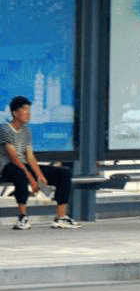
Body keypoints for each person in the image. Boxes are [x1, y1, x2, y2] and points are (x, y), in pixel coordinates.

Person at [2, 96, 81, 229]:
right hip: (6, 167)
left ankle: (61, 217)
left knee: (63, 174)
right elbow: (14, 158)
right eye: (25, 110)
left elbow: (30, 157)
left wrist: (39, 176)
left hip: (22, 166)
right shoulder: (4, 129)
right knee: (20, 174)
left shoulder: (26, 130)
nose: (29, 113)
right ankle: (22, 217)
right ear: (15, 113)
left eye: (29, 110)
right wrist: (32, 179)